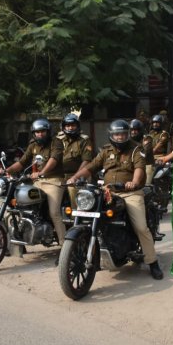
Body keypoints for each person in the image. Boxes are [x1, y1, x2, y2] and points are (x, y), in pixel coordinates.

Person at [66, 119, 163, 280]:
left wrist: (134, 182)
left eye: (123, 134)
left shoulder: (136, 149)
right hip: (108, 191)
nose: (120, 137)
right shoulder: (105, 151)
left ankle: (153, 262)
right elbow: (91, 167)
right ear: (111, 135)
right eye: (117, 134)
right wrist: (75, 177)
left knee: (140, 227)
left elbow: (139, 169)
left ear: (127, 134)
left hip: (130, 193)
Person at [0, 118, 66, 246]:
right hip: (37, 181)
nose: (40, 134)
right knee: (19, 207)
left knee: (54, 213)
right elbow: (22, 162)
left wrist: (42, 172)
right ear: (33, 133)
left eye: (42, 131)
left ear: (48, 132)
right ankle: (19, 240)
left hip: (54, 181)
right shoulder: (33, 145)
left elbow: (53, 160)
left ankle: (64, 247)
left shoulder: (56, 143)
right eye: (37, 132)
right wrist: (7, 170)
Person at [58, 113, 94, 208]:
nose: (70, 128)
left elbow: (86, 161)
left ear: (77, 126)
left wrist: (75, 177)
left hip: (79, 175)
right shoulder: (58, 140)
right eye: (68, 125)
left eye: (73, 125)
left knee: (73, 190)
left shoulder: (84, 140)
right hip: (59, 175)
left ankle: (76, 216)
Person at [130, 119, 154, 186]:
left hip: (147, 164)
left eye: (135, 130)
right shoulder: (129, 139)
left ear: (140, 130)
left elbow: (143, 153)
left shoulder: (147, 139)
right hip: (134, 165)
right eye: (132, 130)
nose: (133, 132)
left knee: (146, 185)